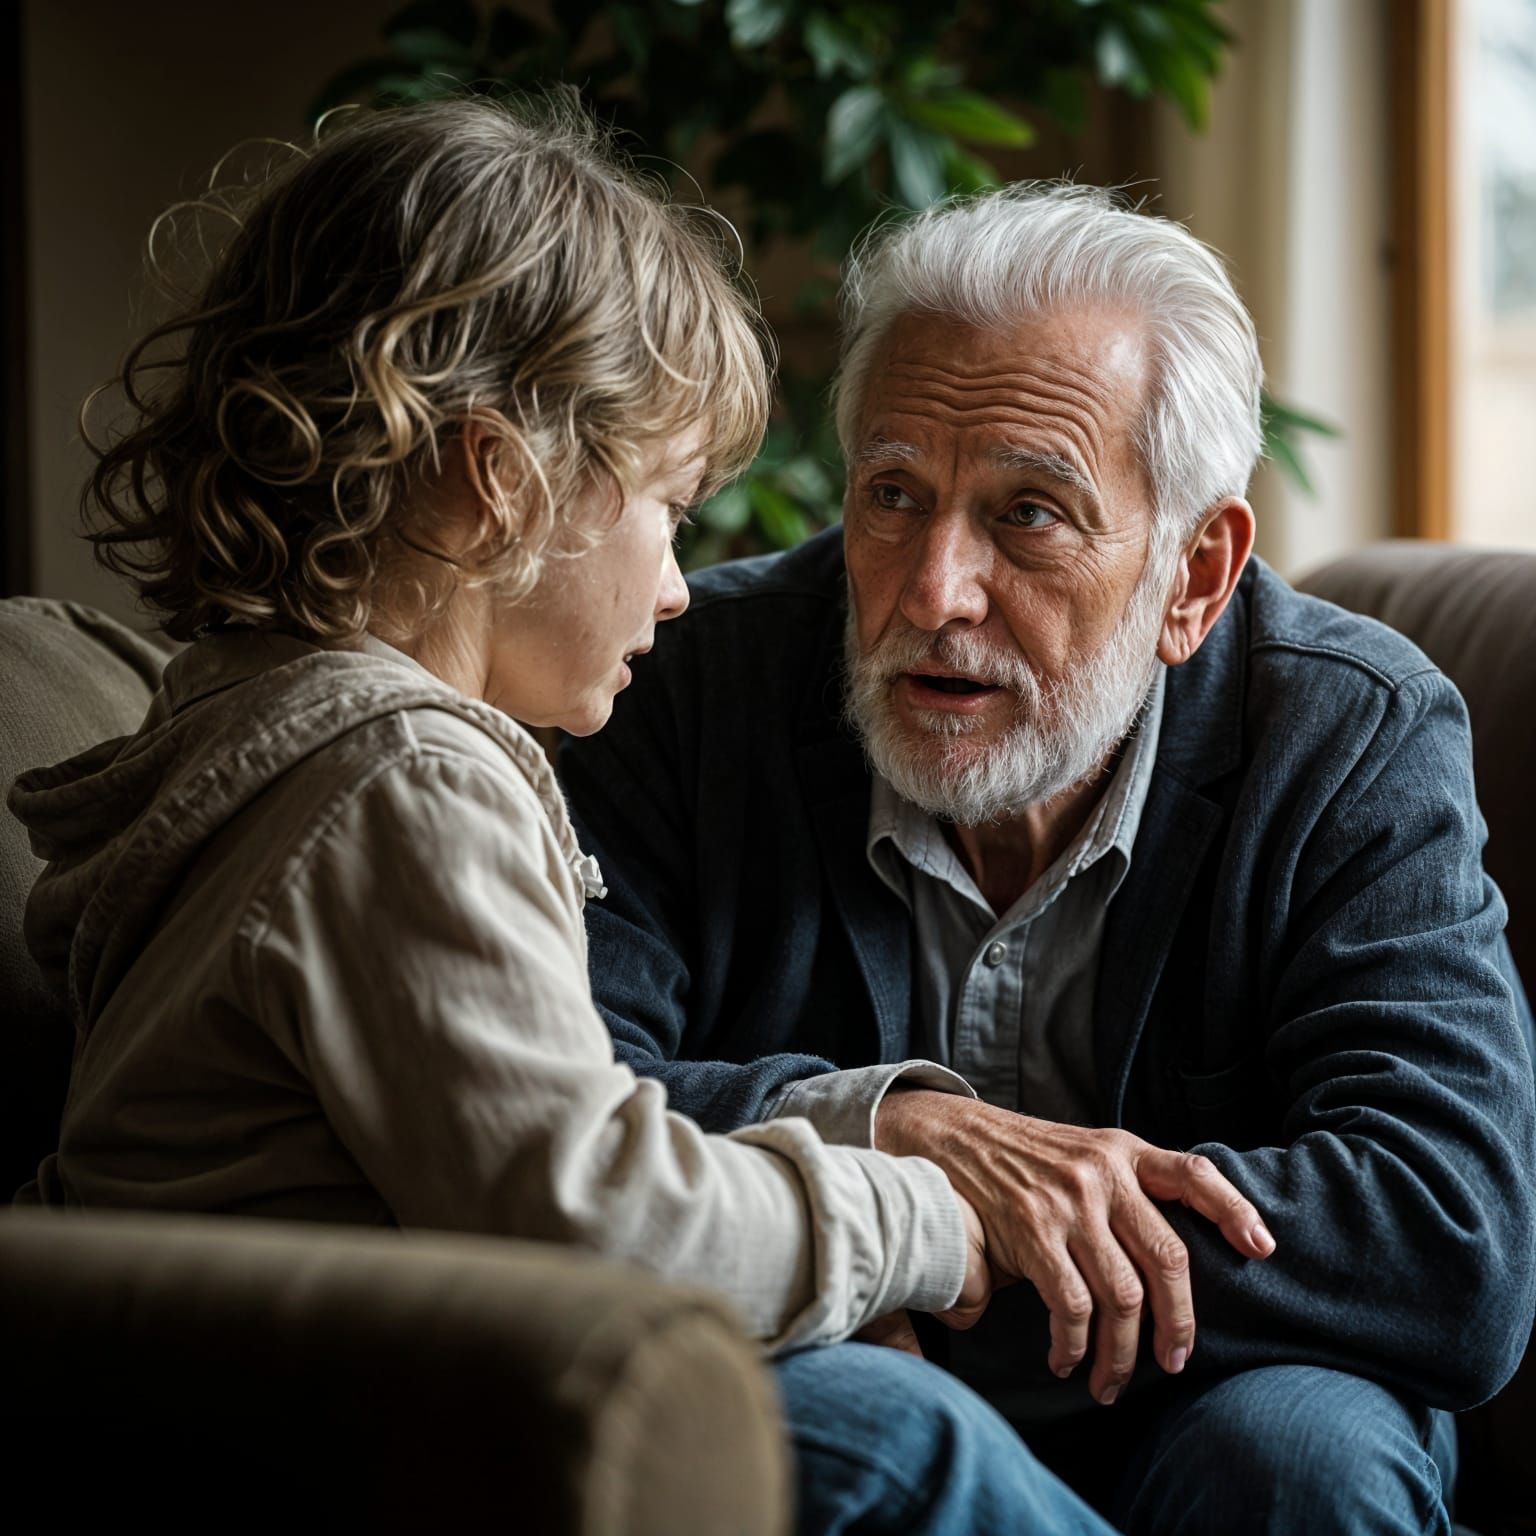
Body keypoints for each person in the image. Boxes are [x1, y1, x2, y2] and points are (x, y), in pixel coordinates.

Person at [6, 100, 1173, 1534]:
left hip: (227, 1390)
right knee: (897, 1442)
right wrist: (928, 1219)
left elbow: (546, 1143)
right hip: (308, 1423)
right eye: (670, 508)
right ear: (499, 483)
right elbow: (598, 1216)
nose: (679, 588)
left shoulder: (254, 726)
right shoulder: (401, 782)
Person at [560, 183, 1536, 1534]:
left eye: (1029, 513)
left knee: (1298, 1463)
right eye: (893, 495)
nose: (932, 589)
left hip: (1220, 1383)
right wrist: (901, 1133)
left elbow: (1446, 1238)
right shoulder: (681, 689)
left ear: (1195, 574)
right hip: (853, 1366)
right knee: (852, 1427)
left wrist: (927, 1243)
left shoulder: (1350, 731)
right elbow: (561, 1117)